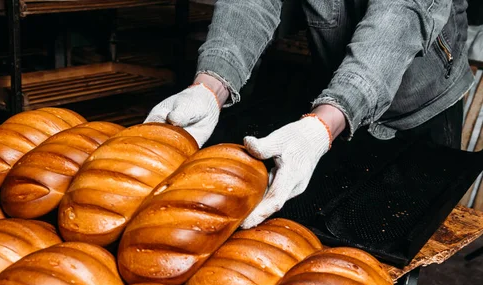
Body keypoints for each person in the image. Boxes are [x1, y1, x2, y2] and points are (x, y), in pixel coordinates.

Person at [145, 0, 474, 229]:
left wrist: (322, 125)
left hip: (416, 111)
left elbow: (399, 18)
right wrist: (211, 84)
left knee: (390, 247)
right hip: (330, 98)